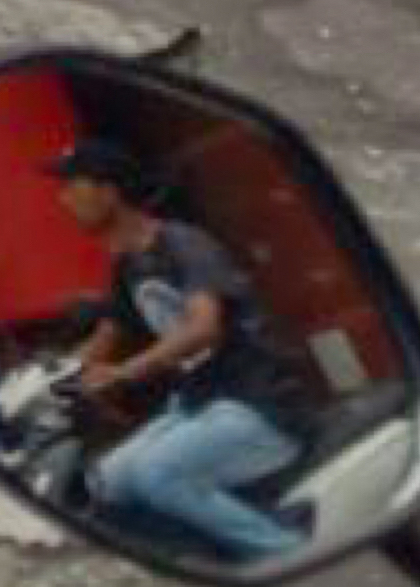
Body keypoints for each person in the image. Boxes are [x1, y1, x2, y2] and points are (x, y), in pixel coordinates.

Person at [52, 138, 310, 564]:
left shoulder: (183, 244)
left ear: (109, 193)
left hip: (257, 403)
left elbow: (203, 327)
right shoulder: (126, 264)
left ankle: (289, 558)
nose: (63, 200)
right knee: (105, 486)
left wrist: (127, 371)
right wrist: (50, 379)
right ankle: (209, 562)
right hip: (198, 404)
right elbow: (104, 339)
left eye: (72, 186)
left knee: (158, 474)